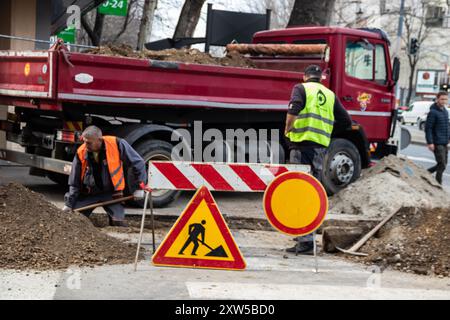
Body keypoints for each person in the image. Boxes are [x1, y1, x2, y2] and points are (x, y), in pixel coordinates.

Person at [284, 64, 352, 254]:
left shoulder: (301, 88)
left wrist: (287, 129)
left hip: (302, 146)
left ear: (304, 77)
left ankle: (306, 241)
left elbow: (294, 109)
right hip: (320, 148)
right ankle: (305, 234)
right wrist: (327, 133)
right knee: (311, 190)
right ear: (320, 78)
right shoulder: (330, 95)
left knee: (301, 192)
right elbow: (346, 121)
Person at [62, 126, 148, 227]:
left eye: (89, 142)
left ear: (99, 140)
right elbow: (74, 181)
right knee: (74, 218)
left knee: (118, 223)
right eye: (84, 142)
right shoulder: (81, 152)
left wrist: (140, 187)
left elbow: (138, 163)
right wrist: (69, 204)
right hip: (89, 194)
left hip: (111, 194)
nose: (86, 145)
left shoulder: (117, 144)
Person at [425, 92, 450, 184]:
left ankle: (425, 173)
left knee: (443, 164)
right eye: (442, 99)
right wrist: (430, 142)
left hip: (444, 142)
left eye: (445, 99)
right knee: (442, 164)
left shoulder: (445, 111)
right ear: (437, 99)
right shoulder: (433, 112)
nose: (444, 101)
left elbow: (447, 125)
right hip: (437, 142)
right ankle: (438, 183)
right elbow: (428, 128)